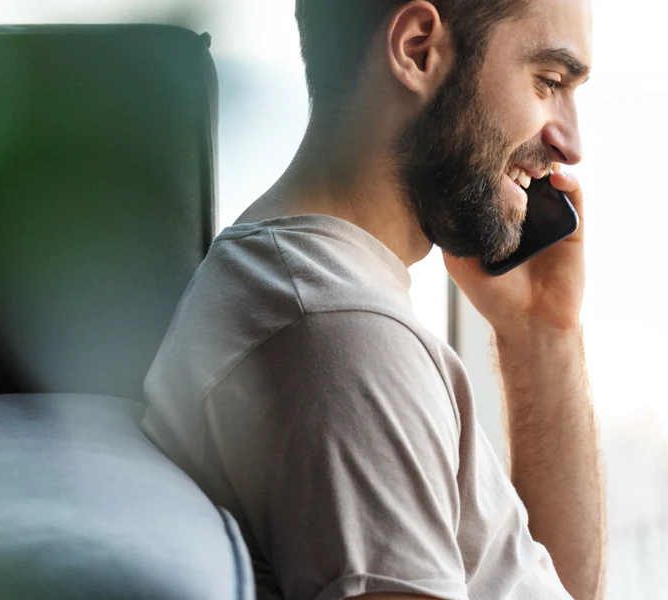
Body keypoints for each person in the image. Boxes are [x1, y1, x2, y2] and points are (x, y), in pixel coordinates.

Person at [141, 0, 601, 598]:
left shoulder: (313, 297)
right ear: (417, 50)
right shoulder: (342, 338)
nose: (571, 144)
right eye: (548, 82)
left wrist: (543, 331)